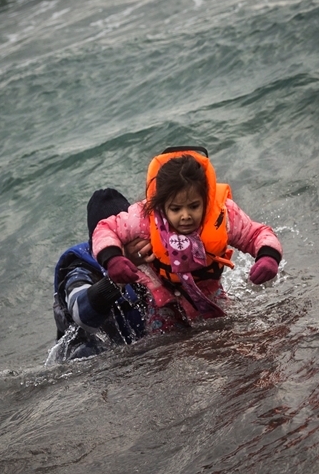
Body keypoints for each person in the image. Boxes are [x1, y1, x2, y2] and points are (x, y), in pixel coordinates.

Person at [92, 146, 283, 333]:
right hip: (163, 304)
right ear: (161, 204)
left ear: (206, 200)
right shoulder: (144, 217)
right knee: (169, 350)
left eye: (194, 206)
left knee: (228, 335)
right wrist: (113, 259)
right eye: (175, 209)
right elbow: (105, 229)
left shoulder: (223, 216)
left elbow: (256, 234)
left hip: (211, 296)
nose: (185, 216)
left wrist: (268, 257)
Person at [51, 188, 154, 361]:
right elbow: (81, 313)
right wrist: (118, 275)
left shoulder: (144, 251)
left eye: (128, 235)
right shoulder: (79, 269)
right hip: (84, 368)